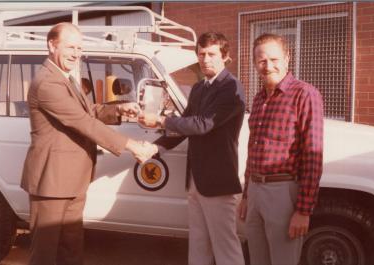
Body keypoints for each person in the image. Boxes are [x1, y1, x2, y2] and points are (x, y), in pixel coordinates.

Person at [21, 22, 157, 265]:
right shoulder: (47, 82)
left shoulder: (66, 78)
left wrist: (118, 109)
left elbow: (88, 111)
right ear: (52, 46)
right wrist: (133, 145)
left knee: (71, 252)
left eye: (80, 48)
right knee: (44, 255)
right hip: (52, 183)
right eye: (70, 47)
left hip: (72, 180)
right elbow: (82, 121)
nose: (76, 53)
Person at [139, 32, 246, 265]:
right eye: (201, 54)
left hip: (217, 180)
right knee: (198, 244)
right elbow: (184, 125)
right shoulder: (199, 88)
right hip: (196, 178)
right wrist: (155, 149)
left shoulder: (231, 88)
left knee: (225, 247)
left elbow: (202, 124)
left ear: (225, 57)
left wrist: (159, 120)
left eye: (211, 54)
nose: (205, 59)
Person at [237, 33, 324, 265]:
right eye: (262, 61)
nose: (268, 66)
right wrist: (246, 195)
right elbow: (253, 149)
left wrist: (303, 211)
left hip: (283, 192)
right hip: (255, 189)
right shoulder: (258, 99)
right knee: (257, 260)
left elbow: (312, 155)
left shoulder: (305, 94)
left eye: (274, 59)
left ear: (287, 58)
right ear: (255, 63)